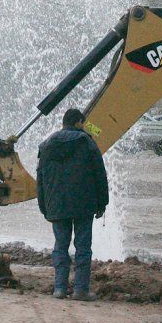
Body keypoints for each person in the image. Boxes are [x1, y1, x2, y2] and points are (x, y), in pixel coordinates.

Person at [36, 108, 108, 301]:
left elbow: (40, 179)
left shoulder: (46, 146)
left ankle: (59, 289)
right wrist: (103, 203)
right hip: (84, 204)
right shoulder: (87, 143)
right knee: (83, 247)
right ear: (78, 122)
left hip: (57, 206)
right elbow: (100, 175)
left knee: (60, 246)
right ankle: (80, 290)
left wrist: (44, 205)